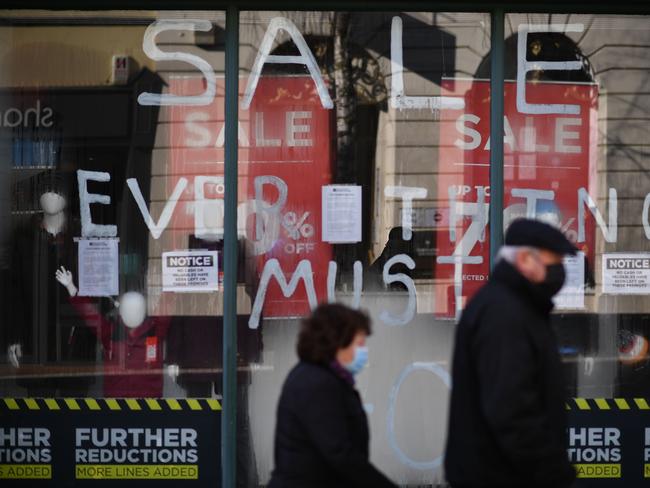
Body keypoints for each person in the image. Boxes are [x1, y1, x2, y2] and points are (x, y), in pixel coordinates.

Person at [445, 218, 577, 488]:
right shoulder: (504, 314)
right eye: (555, 263)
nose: (561, 272)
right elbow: (510, 410)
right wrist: (554, 472)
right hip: (501, 476)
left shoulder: (515, 307)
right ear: (526, 260)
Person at [268, 303, 396, 488]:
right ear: (338, 341)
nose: (364, 351)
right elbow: (340, 453)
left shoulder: (324, 378)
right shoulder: (317, 383)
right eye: (359, 344)